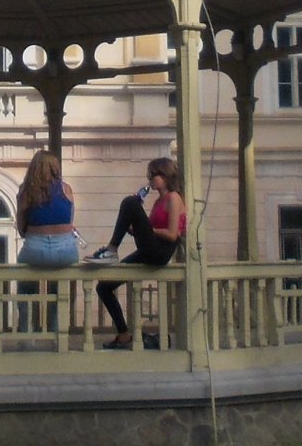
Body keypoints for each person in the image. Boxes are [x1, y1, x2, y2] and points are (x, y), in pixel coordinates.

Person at [90, 157, 186, 349]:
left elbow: (173, 233)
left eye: (154, 175)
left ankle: (111, 249)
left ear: (166, 175)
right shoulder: (158, 201)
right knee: (104, 287)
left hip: (161, 250)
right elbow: (149, 229)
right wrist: (135, 227)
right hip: (147, 249)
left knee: (130, 202)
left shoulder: (174, 198)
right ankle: (124, 334)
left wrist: (148, 230)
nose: (150, 179)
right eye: (149, 175)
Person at [14, 149, 79, 269]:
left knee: (22, 273)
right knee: (66, 277)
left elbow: (21, 228)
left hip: (35, 249)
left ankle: (27, 289)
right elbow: (69, 220)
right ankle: (63, 288)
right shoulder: (66, 188)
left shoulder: (26, 190)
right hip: (65, 250)